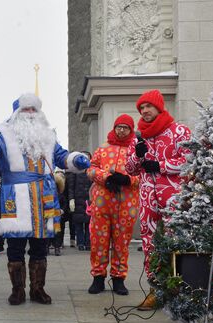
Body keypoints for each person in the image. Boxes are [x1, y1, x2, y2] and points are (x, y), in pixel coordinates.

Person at [0, 93, 91, 305]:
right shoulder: (4, 132)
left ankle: (38, 289)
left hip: (43, 197)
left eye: (33, 110)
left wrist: (76, 160)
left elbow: (61, 156)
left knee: (40, 246)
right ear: (17, 113)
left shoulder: (47, 134)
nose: (30, 114)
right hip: (16, 197)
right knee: (16, 246)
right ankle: (17, 291)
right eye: (26, 110)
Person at [125, 90, 191, 309]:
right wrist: (138, 154)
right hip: (147, 198)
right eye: (141, 108)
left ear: (159, 107)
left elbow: (190, 160)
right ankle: (155, 290)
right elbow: (130, 169)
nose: (144, 111)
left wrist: (161, 166)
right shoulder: (138, 137)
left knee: (178, 239)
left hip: (175, 198)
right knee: (149, 241)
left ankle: (180, 289)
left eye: (148, 107)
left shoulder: (179, 131)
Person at [87, 114, 139, 296]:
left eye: (125, 127)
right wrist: (106, 178)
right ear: (114, 128)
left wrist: (128, 179)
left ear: (131, 130)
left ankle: (119, 279)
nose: (122, 130)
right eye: (119, 126)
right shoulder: (103, 149)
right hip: (102, 204)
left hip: (126, 205)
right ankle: (98, 278)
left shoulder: (137, 150)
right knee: (98, 241)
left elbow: (144, 175)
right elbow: (91, 169)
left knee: (121, 243)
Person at [67, 151, 92, 251]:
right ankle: (80, 243)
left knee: (88, 224)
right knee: (78, 224)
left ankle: (88, 243)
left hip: (89, 200)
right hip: (77, 200)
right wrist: (71, 199)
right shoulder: (75, 171)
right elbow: (71, 187)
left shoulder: (92, 170)